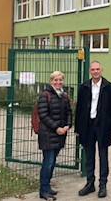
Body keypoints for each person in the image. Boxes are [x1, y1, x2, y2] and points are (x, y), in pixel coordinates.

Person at [75, 61, 111, 198]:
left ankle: (103, 185)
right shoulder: (84, 87)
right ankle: (90, 183)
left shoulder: (109, 87)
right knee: (89, 155)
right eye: (93, 69)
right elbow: (79, 108)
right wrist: (77, 127)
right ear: (90, 71)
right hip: (87, 125)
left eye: (97, 69)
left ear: (101, 70)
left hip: (103, 126)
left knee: (103, 155)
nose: (95, 71)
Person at [37, 71, 72, 200]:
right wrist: (56, 128)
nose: (58, 82)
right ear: (51, 81)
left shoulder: (64, 95)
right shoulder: (45, 95)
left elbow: (69, 112)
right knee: (48, 162)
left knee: (52, 162)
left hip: (60, 134)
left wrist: (68, 125)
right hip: (48, 134)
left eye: (60, 80)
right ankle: (43, 190)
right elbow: (43, 115)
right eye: (55, 80)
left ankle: (47, 188)